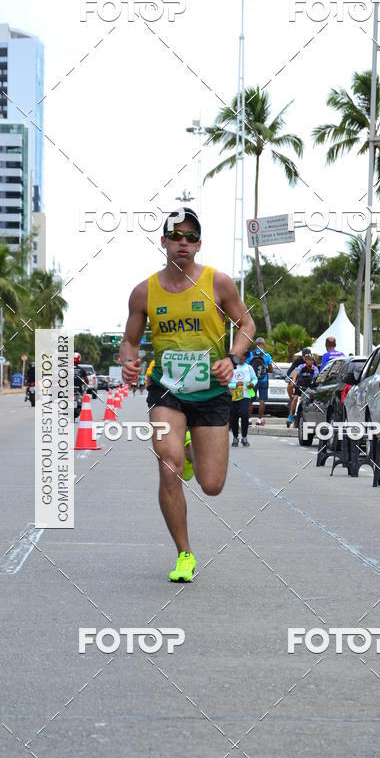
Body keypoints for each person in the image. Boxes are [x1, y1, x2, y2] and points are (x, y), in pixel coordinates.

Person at [120, 207, 255, 583]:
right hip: (167, 389)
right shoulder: (145, 292)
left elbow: (246, 323)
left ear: (199, 244)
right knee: (168, 463)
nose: (184, 242)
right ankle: (184, 554)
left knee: (212, 485)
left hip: (211, 391)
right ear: (163, 241)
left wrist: (233, 357)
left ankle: (192, 451)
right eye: (177, 236)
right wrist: (128, 362)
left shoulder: (218, 283)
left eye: (191, 237)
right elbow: (130, 340)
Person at [287, 349, 319, 426]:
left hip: (308, 386)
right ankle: (290, 415)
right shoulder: (301, 366)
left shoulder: (315, 368)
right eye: (308, 360)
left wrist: (314, 382)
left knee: (310, 400)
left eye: (311, 360)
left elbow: (315, 376)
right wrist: (293, 381)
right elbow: (296, 374)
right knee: (295, 398)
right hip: (300, 384)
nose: (310, 362)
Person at [229, 360, 257, 447]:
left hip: (245, 395)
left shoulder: (249, 367)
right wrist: (235, 385)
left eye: (245, 356)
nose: (242, 358)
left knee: (245, 415)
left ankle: (244, 437)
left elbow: (255, 379)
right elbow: (226, 383)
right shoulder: (231, 367)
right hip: (233, 396)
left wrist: (252, 383)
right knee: (234, 417)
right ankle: (235, 437)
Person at [247, 337, 273, 425]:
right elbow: (271, 370)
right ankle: (259, 420)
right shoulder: (267, 355)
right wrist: (264, 369)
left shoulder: (251, 354)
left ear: (256, 345)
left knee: (250, 400)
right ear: (263, 345)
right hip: (263, 381)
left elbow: (247, 368)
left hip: (252, 382)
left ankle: (249, 420)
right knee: (262, 400)